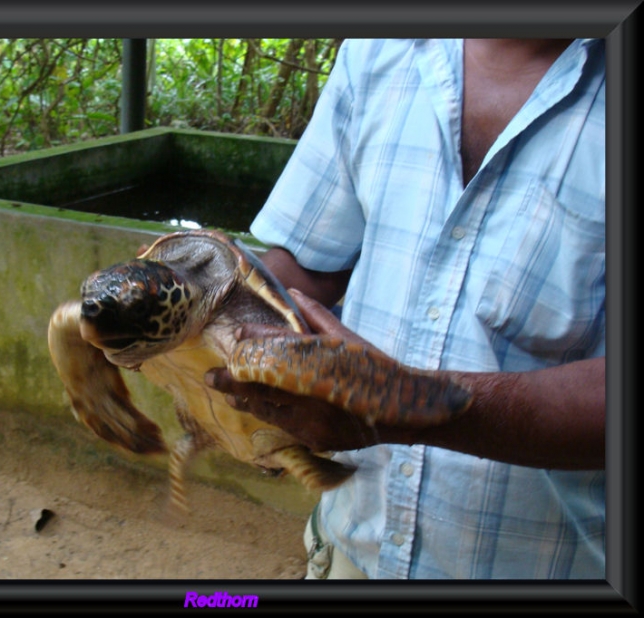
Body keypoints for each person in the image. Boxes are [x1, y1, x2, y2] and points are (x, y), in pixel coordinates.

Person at [207, 38, 605, 579]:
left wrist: (407, 404)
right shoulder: (377, 51)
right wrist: (201, 306)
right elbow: (311, 266)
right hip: (352, 551)